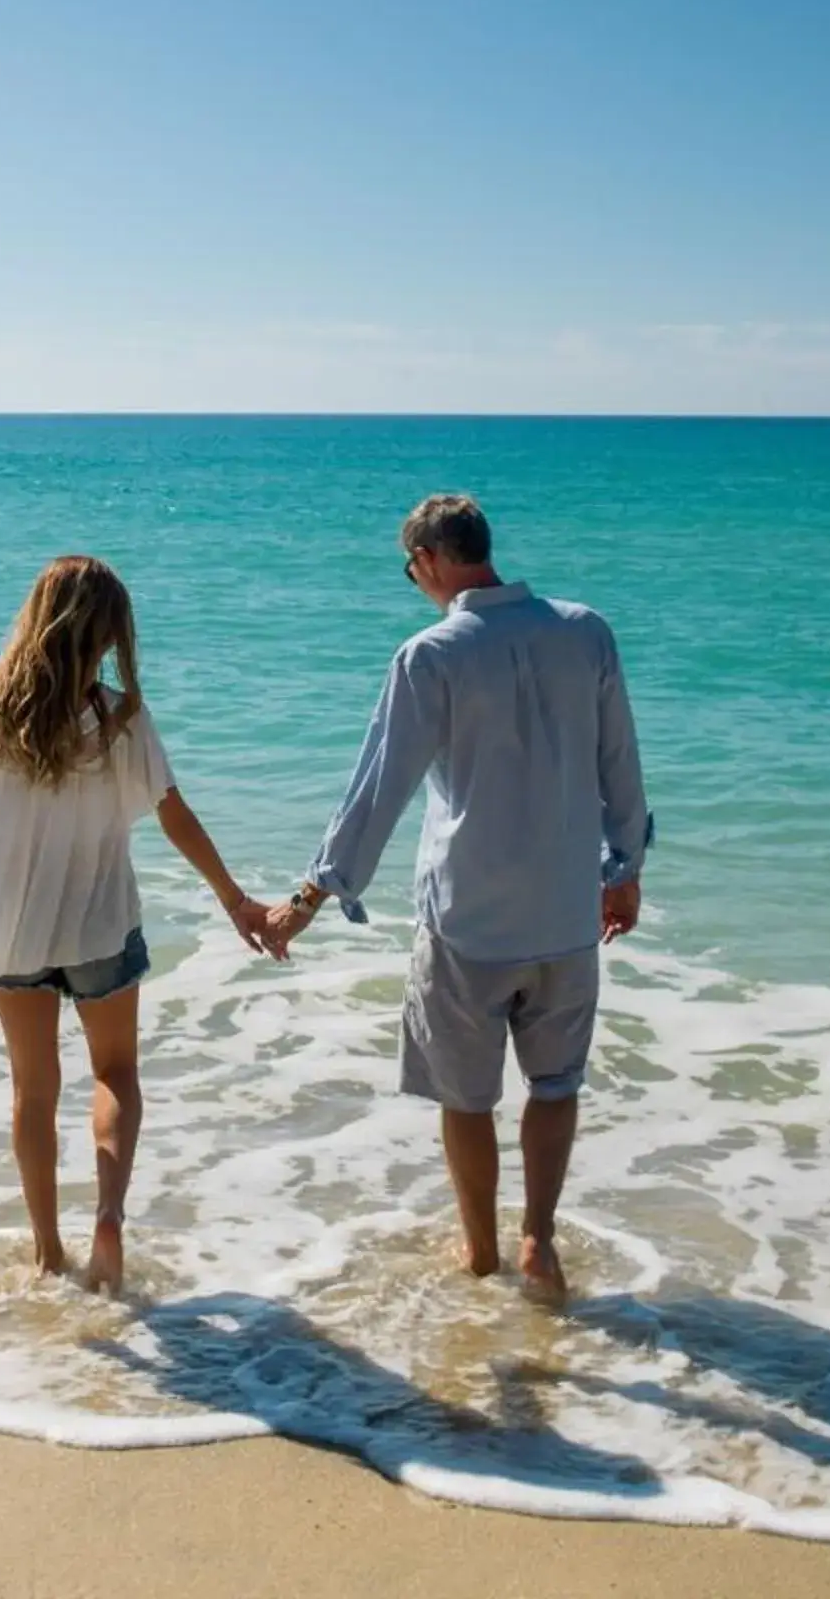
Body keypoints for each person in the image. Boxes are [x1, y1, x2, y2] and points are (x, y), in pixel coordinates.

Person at [263, 494, 651, 1306]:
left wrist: (312, 894)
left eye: (411, 571)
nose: (415, 584)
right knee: (555, 1086)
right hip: (565, 913)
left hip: (467, 920)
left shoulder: (430, 655)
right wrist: (625, 868)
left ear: (432, 561)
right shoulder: (586, 632)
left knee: (466, 1099)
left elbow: (379, 788)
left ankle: (481, 1253)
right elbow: (619, 759)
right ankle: (539, 1240)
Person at [0, 554, 275, 1294]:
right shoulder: (120, 719)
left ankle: (47, 1250)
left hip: (10, 933)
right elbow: (174, 814)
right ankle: (108, 1213)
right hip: (101, 927)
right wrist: (235, 899)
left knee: (32, 1090)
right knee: (116, 1075)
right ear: (108, 637)